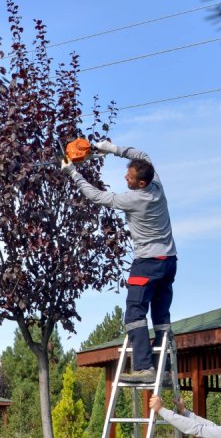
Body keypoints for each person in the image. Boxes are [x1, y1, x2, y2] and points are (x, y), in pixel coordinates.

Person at [61, 140, 176, 383]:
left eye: (130, 177)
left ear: (141, 183)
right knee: (161, 317)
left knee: (135, 313)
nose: (126, 177)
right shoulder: (157, 184)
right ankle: (163, 370)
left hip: (147, 263)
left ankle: (144, 368)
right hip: (169, 261)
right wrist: (109, 148)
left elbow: (97, 197)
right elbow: (142, 153)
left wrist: (73, 173)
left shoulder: (135, 199)